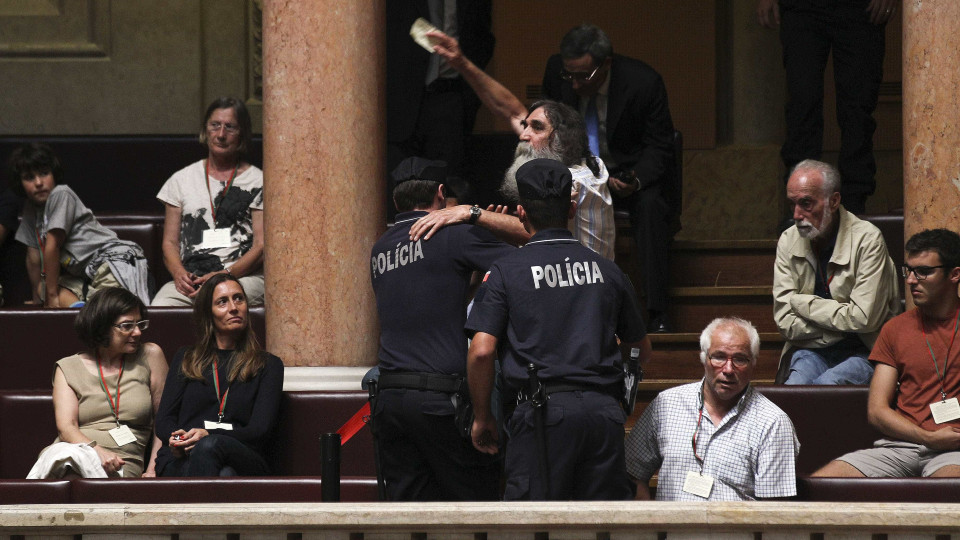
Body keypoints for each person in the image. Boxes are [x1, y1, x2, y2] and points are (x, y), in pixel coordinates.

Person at [465, 158, 650, 501]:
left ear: (521, 213)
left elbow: (481, 351)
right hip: (603, 414)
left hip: (541, 415)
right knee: (599, 525)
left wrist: (481, 416)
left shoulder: (506, 272)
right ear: (571, 207)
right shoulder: (608, 271)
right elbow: (639, 348)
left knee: (534, 525)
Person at [369, 156, 515, 501]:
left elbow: (436, 301)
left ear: (395, 201)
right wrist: (478, 216)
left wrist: (474, 275)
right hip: (438, 401)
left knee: (409, 516)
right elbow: (532, 250)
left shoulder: (380, 248)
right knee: (475, 506)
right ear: (439, 194)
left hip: (389, 398)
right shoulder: (454, 234)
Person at [410, 30, 616, 260]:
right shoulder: (552, 158)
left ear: (561, 138)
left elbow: (540, 230)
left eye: (536, 128)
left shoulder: (579, 178)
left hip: (586, 288)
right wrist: (461, 63)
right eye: (525, 126)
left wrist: (470, 212)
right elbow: (508, 109)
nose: (523, 134)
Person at [541, 24, 677, 332]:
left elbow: (660, 145)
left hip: (624, 173)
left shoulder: (644, 82)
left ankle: (656, 312)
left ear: (607, 64)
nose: (574, 85)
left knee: (653, 206)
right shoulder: (556, 71)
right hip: (573, 172)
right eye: (569, 75)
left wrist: (636, 179)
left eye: (583, 76)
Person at [814, 229, 960, 478]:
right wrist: (927, 437)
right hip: (902, 446)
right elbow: (877, 411)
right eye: (909, 270)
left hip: (954, 449)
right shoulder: (895, 328)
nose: (912, 280)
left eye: (923, 271)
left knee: (946, 490)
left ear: (954, 274)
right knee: (824, 483)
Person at [625, 317, 799, 500]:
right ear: (704, 357)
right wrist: (652, 523)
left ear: (754, 363)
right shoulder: (666, 404)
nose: (728, 369)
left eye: (740, 359)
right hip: (674, 528)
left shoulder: (773, 423)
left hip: (735, 528)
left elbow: (775, 509)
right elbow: (632, 473)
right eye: (719, 357)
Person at [758, 0, 897, 214]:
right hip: (802, 8)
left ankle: (854, 208)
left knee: (858, 111)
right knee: (802, 107)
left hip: (859, 8)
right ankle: (802, 203)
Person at [773, 159, 900, 384]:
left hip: (864, 350)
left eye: (806, 203)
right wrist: (841, 327)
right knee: (795, 391)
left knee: (826, 387)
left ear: (833, 201)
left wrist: (801, 303)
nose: (796, 214)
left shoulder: (867, 239)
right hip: (809, 349)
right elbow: (784, 320)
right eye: (792, 204)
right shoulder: (788, 239)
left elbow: (864, 320)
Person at [154, 273, 283, 476]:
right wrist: (179, 441)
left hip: (242, 454)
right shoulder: (186, 358)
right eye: (222, 302)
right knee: (224, 474)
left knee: (209, 446)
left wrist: (208, 435)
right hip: (183, 455)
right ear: (208, 313)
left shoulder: (268, 365)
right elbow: (164, 420)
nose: (234, 307)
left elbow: (259, 430)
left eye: (238, 298)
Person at [33, 287, 167, 478]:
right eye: (127, 325)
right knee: (65, 460)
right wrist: (96, 450)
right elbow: (67, 427)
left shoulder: (150, 355)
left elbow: (164, 419)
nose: (137, 332)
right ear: (102, 327)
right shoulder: (68, 367)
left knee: (73, 476)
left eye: (140, 324)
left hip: (121, 461)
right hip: (75, 452)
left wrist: (153, 468)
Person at [8, 142, 150, 307]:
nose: (39, 182)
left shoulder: (61, 194)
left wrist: (52, 298)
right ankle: (84, 310)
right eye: (29, 177)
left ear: (54, 175)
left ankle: (94, 311)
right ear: (20, 183)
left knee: (107, 312)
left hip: (114, 261)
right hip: (86, 276)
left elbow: (52, 246)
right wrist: (38, 300)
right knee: (43, 288)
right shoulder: (31, 209)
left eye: (44, 173)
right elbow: (33, 257)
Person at [152, 97, 264, 306]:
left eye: (230, 127)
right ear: (206, 130)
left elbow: (261, 246)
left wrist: (224, 275)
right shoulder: (181, 179)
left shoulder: (258, 180)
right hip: (193, 279)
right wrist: (179, 274)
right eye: (215, 126)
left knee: (220, 298)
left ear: (242, 134)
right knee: (161, 307)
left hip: (242, 278)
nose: (221, 135)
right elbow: (169, 242)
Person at [386, 0, 494, 209]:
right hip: (401, 98)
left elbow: (482, 37)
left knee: (449, 183)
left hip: (449, 95)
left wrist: (467, 93)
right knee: (398, 189)